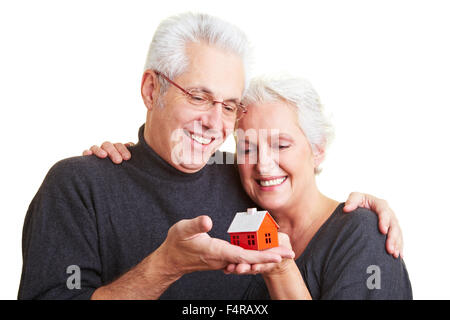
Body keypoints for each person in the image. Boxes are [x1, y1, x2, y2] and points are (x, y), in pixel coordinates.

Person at [19, 12, 402, 300]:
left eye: (230, 105)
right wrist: (162, 267)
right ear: (152, 90)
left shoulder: (245, 184)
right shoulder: (78, 187)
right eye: (199, 97)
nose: (214, 123)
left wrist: (368, 214)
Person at [224, 75, 412, 299]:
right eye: (247, 149)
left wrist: (280, 271)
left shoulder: (362, 234)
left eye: (281, 145)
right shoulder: (232, 219)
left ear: (318, 148)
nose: (263, 165)